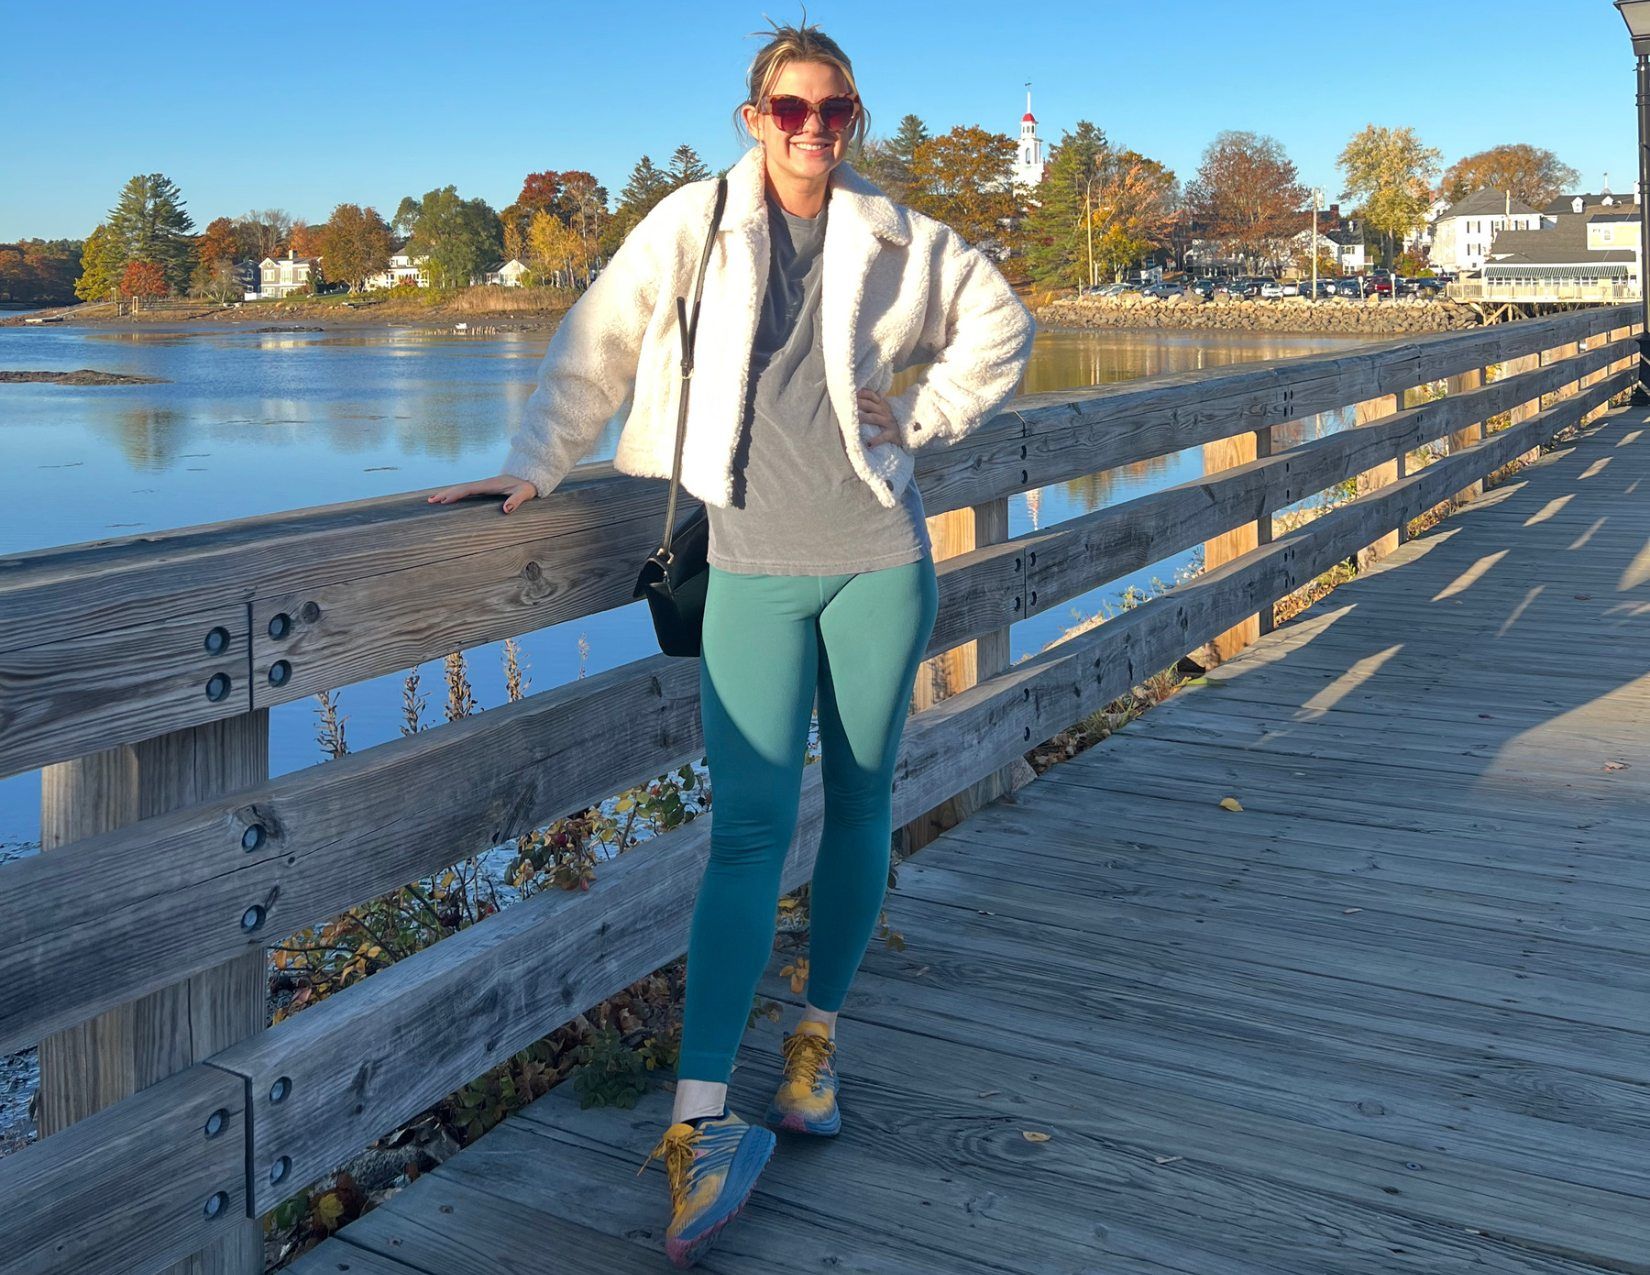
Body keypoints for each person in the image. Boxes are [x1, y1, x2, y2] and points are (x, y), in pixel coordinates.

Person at [428, 18, 1033, 1269]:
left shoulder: (904, 240)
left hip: (878, 561)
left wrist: (921, 413)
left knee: (865, 802)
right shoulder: (693, 224)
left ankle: (813, 1048)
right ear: (754, 116)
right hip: (748, 569)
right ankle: (698, 1129)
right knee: (748, 832)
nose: (816, 129)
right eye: (793, 109)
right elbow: (595, 344)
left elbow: (1002, 328)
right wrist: (532, 466)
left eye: (838, 110)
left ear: (854, 120)